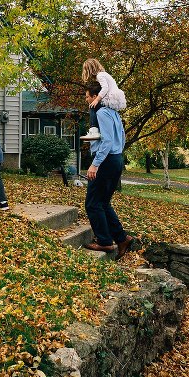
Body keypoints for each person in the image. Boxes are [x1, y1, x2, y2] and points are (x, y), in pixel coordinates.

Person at [82, 81, 133, 259]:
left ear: (96, 97)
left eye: (88, 96)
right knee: (103, 202)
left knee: (92, 203)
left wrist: (95, 163)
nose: (87, 100)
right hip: (116, 159)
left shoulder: (103, 112)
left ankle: (104, 242)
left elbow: (107, 141)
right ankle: (121, 238)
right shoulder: (114, 113)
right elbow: (122, 138)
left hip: (106, 161)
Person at [80, 58, 126, 141]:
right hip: (114, 99)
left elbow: (105, 88)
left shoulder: (100, 75)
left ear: (90, 70)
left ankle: (94, 131)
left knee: (92, 107)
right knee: (96, 108)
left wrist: (97, 100)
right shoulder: (104, 74)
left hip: (111, 99)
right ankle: (97, 129)